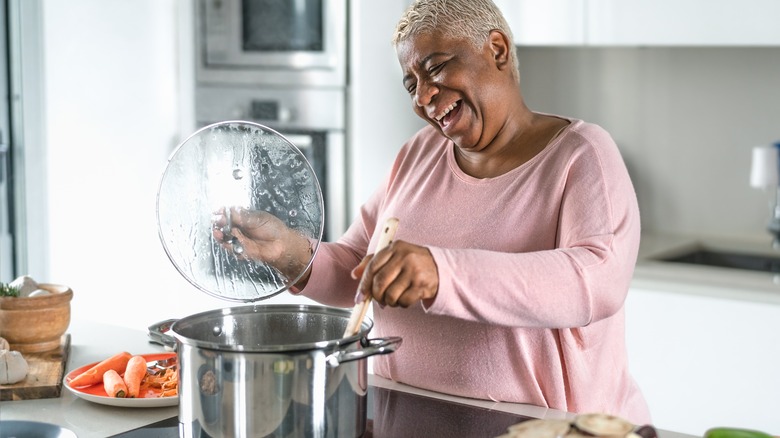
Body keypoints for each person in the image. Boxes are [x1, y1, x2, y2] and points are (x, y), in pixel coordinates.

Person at [214, 0, 651, 424]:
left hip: (543, 428)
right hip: (406, 418)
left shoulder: (580, 155)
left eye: (436, 67)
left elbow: (595, 281)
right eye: (410, 84)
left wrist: (443, 273)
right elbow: (361, 269)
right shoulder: (419, 154)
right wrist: (291, 253)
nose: (424, 96)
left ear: (496, 50)